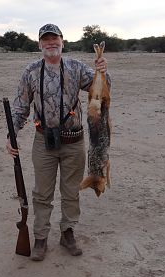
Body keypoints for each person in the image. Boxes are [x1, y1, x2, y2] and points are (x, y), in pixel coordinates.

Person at [6, 23, 110, 261]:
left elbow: (102, 92)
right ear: (39, 44)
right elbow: (20, 107)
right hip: (43, 142)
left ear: (63, 42)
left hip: (74, 142)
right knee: (42, 193)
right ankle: (40, 238)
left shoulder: (76, 67)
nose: (50, 43)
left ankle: (67, 233)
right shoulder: (31, 71)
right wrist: (10, 135)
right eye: (46, 40)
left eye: (55, 39)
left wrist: (102, 72)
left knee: (71, 191)